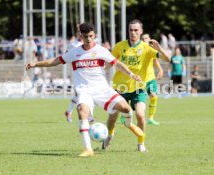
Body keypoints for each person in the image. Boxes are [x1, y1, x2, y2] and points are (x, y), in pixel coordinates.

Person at [26, 22, 144, 157]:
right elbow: (55, 61)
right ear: (80, 36)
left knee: (126, 108)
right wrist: (36, 64)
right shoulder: (74, 52)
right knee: (82, 111)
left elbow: (118, 64)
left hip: (102, 89)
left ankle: (128, 124)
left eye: (91, 36)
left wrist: (132, 74)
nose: (88, 39)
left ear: (94, 35)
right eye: (86, 36)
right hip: (84, 90)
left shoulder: (101, 50)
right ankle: (88, 149)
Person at [102, 19, 170, 152]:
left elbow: (167, 59)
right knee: (112, 117)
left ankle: (141, 143)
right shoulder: (119, 46)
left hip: (138, 88)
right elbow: (110, 63)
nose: (133, 33)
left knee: (140, 115)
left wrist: (159, 48)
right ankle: (109, 135)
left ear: (141, 31)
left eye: (136, 30)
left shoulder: (146, 48)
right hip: (120, 88)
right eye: (131, 30)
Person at [64, 24, 94, 123]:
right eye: (79, 32)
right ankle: (89, 115)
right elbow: (66, 56)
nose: (80, 34)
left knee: (83, 94)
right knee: (81, 94)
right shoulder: (73, 44)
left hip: (89, 72)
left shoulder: (91, 43)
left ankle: (69, 111)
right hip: (77, 72)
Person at [141, 33, 164, 125]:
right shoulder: (138, 49)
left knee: (154, 96)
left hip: (150, 77)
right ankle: (125, 116)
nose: (144, 40)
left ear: (149, 39)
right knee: (134, 99)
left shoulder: (151, 49)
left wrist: (160, 70)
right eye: (142, 38)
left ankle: (150, 118)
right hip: (140, 79)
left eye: (146, 38)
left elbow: (155, 60)